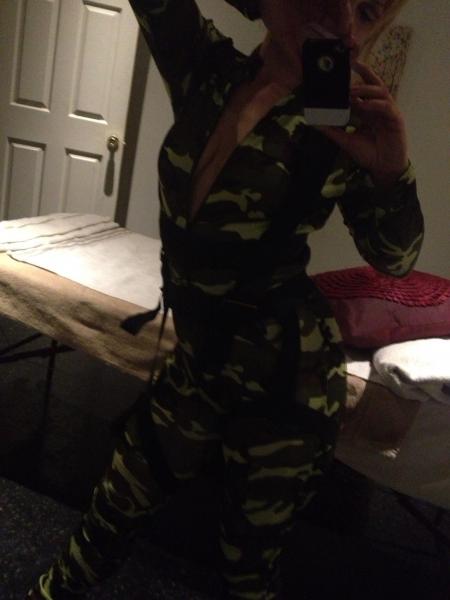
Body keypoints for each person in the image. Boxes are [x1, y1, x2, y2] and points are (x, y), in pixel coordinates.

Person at [27, 1, 424, 598]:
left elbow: (395, 259)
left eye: (367, 12)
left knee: (247, 564)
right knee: (115, 502)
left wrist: (392, 170)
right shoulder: (207, 70)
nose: (344, 25)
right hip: (198, 361)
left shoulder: (343, 126)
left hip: (288, 380)